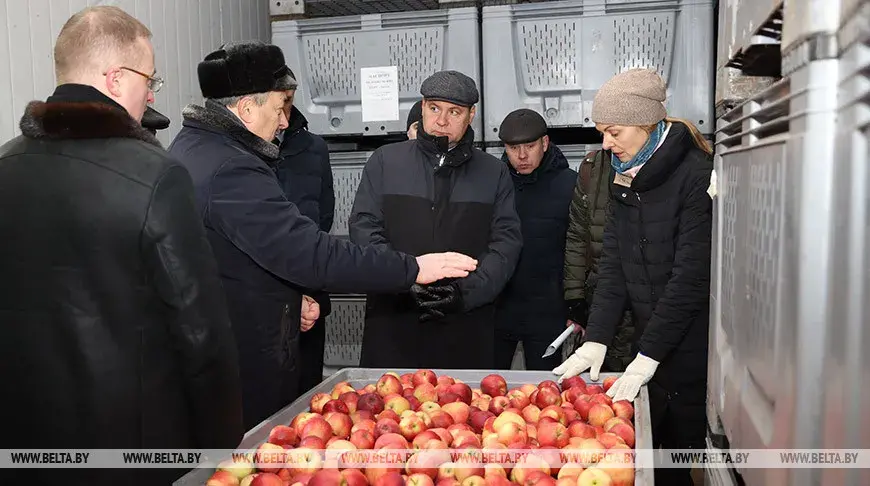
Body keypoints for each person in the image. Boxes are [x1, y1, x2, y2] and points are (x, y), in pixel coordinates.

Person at [168, 43, 478, 429]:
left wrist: (289, 295)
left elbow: (238, 255)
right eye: (279, 107)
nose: (284, 121)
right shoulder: (231, 168)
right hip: (239, 360)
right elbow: (310, 252)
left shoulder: (193, 147)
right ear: (247, 108)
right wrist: (412, 268)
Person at [0, 6, 243, 485]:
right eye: (148, 79)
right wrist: (219, 442)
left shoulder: (5, 165)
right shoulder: (155, 174)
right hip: (130, 445)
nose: (151, 94)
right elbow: (198, 327)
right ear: (114, 79)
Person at [553, 68, 713, 486]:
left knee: (680, 457)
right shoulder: (624, 170)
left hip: (691, 343)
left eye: (614, 132)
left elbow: (691, 278)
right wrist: (598, 337)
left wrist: (650, 356)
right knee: (646, 452)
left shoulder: (696, 176)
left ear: (646, 125)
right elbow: (615, 264)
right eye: (602, 132)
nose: (606, 143)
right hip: (649, 339)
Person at [349, 70, 523, 369]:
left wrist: (464, 294)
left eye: (454, 112)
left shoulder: (493, 172)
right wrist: (404, 277)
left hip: (465, 325)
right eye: (434, 108)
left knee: (462, 412)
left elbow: (505, 245)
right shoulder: (385, 161)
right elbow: (365, 229)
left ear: (472, 115)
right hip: (394, 320)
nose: (441, 121)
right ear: (422, 107)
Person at [493, 109, 576, 370]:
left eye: (529, 146)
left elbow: (581, 250)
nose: (522, 156)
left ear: (545, 143)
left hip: (549, 311)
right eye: (513, 147)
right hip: (498, 310)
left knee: (546, 394)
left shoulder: (571, 184)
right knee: (487, 389)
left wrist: (578, 307)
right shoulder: (493, 184)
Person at [274, 76, 335, 393]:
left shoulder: (314, 148)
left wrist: (307, 290)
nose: (284, 109)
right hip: (267, 294)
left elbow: (324, 215)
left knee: (310, 392)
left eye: (288, 99)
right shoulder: (244, 151)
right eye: (278, 99)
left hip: (309, 288)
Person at [563, 149, 636, 373]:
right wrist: (575, 297)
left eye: (612, 131)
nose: (606, 141)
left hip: (647, 302)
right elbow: (577, 235)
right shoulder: (592, 168)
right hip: (602, 296)